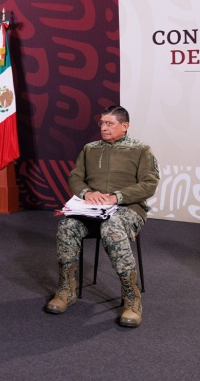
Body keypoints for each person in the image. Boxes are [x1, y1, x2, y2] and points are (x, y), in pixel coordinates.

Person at [45, 105, 160, 327]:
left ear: (124, 126)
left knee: (112, 228)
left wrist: (116, 197)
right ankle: (66, 289)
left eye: (110, 123)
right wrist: (87, 193)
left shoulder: (141, 150)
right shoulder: (90, 149)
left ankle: (131, 297)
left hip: (127, 209)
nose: (104, 128)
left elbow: (149, 184)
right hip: (92, 210)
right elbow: (75, 177)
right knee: (67, 227)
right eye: (102, 123)